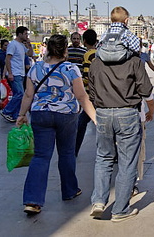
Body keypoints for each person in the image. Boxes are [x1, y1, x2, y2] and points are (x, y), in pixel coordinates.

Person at [17, 34, 96, 214]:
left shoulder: (36, 68)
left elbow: (28, 95)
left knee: (41, 156)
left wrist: (21, 114)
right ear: (65, 51)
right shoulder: (70, 68)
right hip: (66, 115)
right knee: (67, 153)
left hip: (40, 114)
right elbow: (82, 97)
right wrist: (95, 118)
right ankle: (69, 190)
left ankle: (33, 200)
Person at [88, 28, 153, 221]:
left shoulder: (96, 62)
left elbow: (91, 90)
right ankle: (120, 210)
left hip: (103, 113)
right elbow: (146, 89)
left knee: (103, 157)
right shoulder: (134, 61)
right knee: (127, 162)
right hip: (128, 112)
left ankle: (99, 201)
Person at [1, 26, 34, 122]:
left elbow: (30, 54)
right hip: (15, 73)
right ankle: (7, 111)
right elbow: (8, 59)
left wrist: (29, 44)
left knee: (18, 95)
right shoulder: (13, 44)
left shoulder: (21, 45)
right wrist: (10, 73)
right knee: (20, 94)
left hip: (21, 73)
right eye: (25, 34)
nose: (27, 35)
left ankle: (15, 115)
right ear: (19, 34)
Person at [75, 29, 98, 157]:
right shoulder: (100, 53)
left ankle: (74, 151)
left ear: (84, 41)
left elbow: (86, 76)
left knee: (81, 123)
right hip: (102, 94)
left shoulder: (87, 54)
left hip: (91, 95)